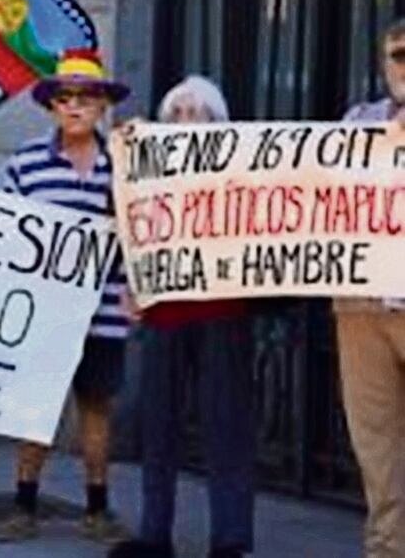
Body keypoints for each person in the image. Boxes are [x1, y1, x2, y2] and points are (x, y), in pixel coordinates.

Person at [108, 77, 254, 558]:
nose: (186, 121)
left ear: (218, 122)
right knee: (158, 427)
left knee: (226, 426)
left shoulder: (241, 171)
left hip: (222, 309)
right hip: (164, 312)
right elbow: (131, 230)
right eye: (177, 113)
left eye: (198, 113)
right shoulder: (147, 173)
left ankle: (230, 539)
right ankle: (155, 534)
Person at [0, 48, 131, 544]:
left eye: (86, 97)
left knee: (97, 408)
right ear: (51, 105)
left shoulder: (125, 166)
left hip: (104, 312)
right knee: (37, 409)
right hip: (43, 315)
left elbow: (141, 237)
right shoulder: (27, 163)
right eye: (65, 97)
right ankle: (23, 504)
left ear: (102, 107)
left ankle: (97, 507)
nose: (74, 106)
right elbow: (3, 233)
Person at [331, 18, 405, 558]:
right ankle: (386, 549)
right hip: (362, 304)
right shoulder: (359, 123)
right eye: (398, 56)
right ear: (384, 65)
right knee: (375, 442)